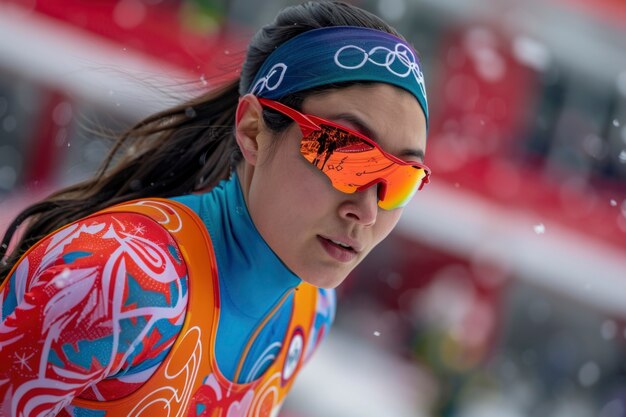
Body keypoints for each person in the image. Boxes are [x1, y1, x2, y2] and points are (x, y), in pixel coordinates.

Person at [0, 1, 430, 416]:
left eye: (401, 179)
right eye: (345, 154)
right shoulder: (120, 275)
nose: (368, 211)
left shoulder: (309, 311)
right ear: (253, 131)